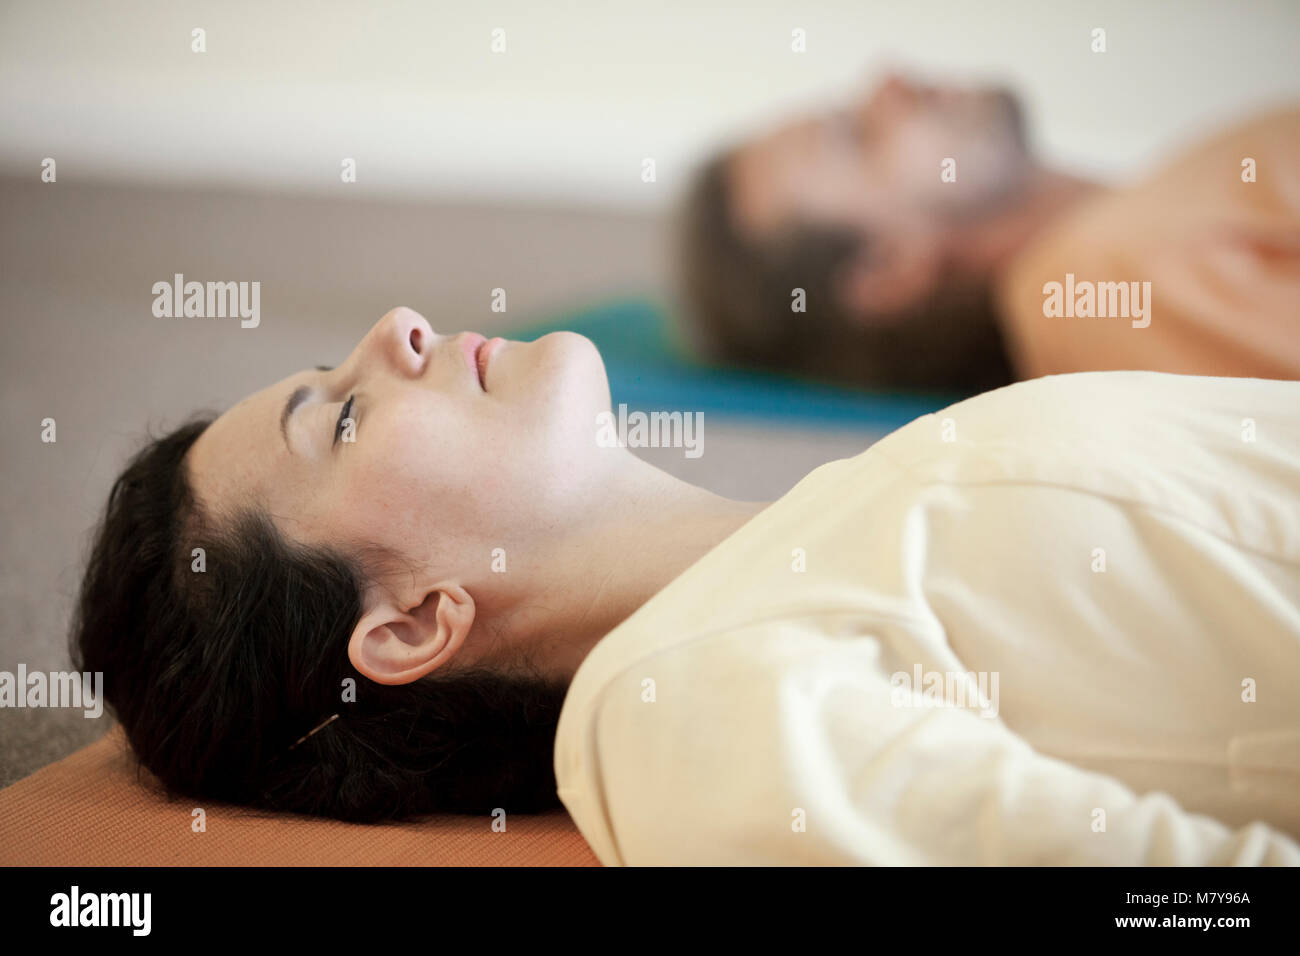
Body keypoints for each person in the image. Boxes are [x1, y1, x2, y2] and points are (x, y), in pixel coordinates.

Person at [75, 307, 1300, 864]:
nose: (396, 325)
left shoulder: (836, 509)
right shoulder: (677, 705)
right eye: (340, 417)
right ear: (407, 623)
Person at [678, 72, 1300, 390]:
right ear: (890, 266)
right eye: (855, 133)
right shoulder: (1088, 287)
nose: (888, 79)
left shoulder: (1139, 225)